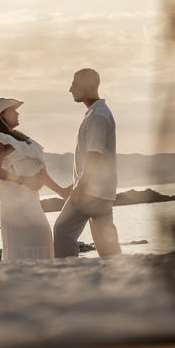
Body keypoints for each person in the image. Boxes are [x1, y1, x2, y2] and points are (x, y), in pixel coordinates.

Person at [0, 97, 70, 262]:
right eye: (12, 110)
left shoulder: (28, 142)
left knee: (43, 236)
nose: (17, 113)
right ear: (2, 116)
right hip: (14, 205)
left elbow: (41, 174)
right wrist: (23, 180)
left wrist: (61, 191)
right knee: (23, 245)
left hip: (32, 203)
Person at [54, 69, 121, 258]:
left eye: (74, 84)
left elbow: (94, 153)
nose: (70, 89)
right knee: (106, 243)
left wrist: (81, 185)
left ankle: (69, 275)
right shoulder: (97, 113)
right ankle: (118, 277)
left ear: (88, 85)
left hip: (91, 190)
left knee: (62, 231)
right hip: (102, 190)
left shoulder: (97, 116)